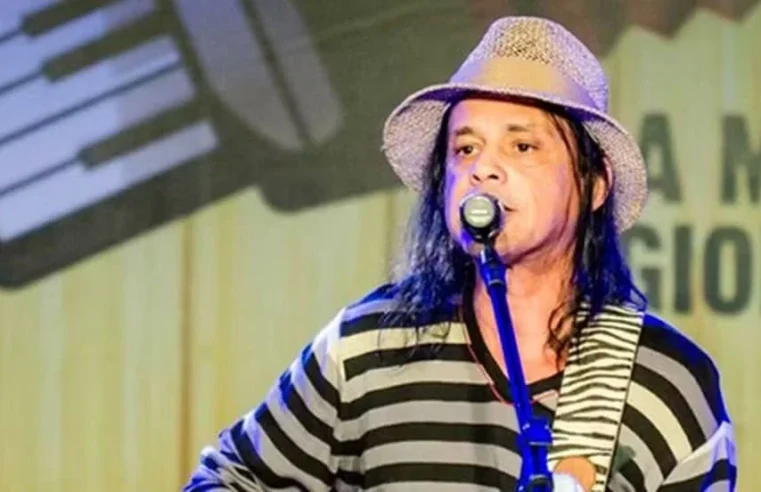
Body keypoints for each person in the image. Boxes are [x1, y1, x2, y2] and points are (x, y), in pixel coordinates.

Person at [183, 16, 736, 491]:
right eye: (465, 148)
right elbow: (224, 480)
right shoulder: (364, 349)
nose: (483, 169)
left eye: (522, 146)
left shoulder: (666, 379)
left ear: (594, 183)